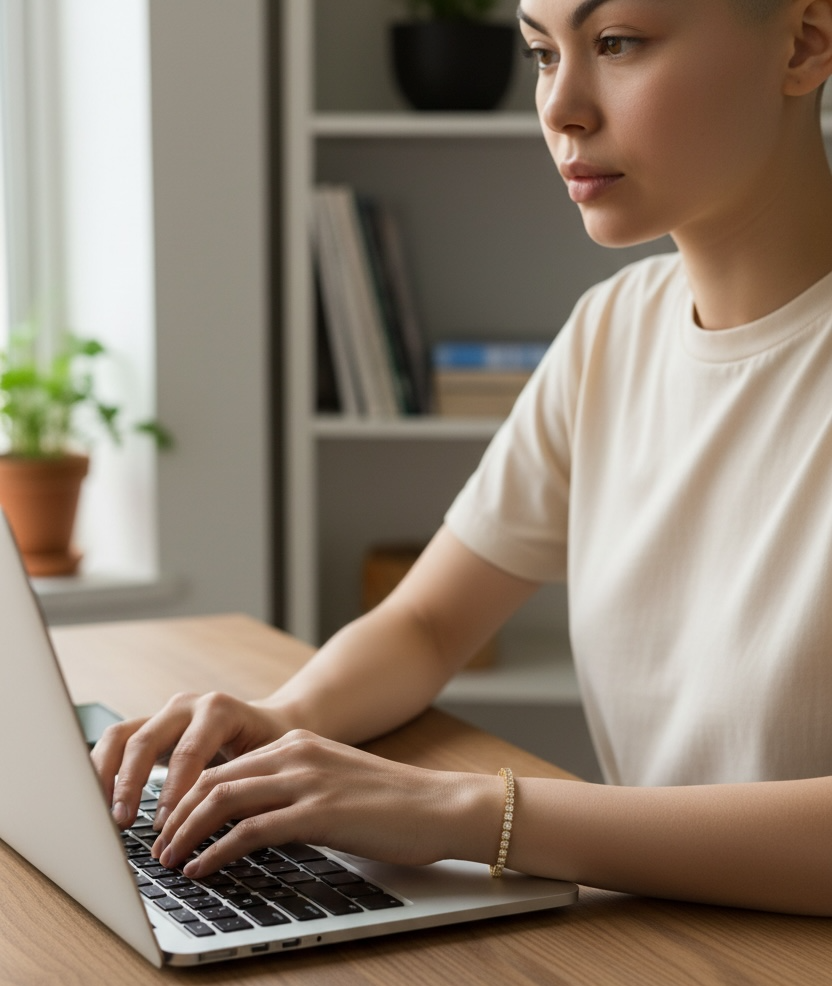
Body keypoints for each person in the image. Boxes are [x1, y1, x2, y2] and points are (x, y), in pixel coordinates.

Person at [94, 0, 832, 916]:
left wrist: (471, 813)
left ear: (804, 43)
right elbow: (433, 624)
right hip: (671, 948)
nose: (561, 107)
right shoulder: (614, 329)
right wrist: (286, 720)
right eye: (539, 50)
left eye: (615, 43)